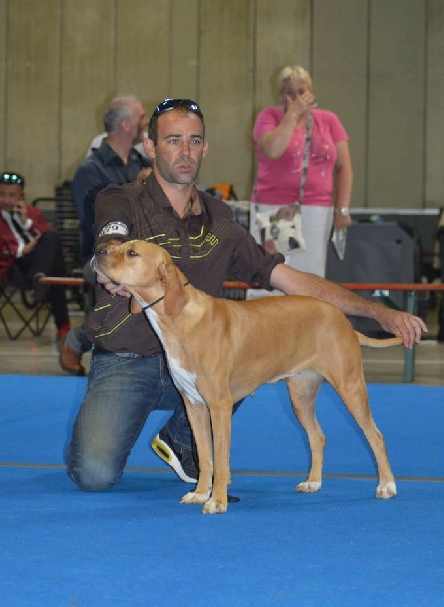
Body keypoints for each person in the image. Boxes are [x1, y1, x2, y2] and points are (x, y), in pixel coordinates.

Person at [65, 98, 425, 495]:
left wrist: (376, 312)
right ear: (150, 147)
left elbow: (288, 279)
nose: (185, 151)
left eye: (194, 141)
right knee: (94, 472)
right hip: (127, 359)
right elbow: (111, 244)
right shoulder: (119, 198)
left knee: (239, 354)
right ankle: (175, 440)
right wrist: (114, 271)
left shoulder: (220, 218)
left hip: (203, 358)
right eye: (172, 140)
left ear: (205, 148)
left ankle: (184, 442)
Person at [59, 95, 152, 375]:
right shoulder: (89, 171)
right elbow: (96, 226)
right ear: (126, 125)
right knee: (127, 285)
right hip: (98, 256)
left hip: (140, 251)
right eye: (142, 117)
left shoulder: (143, 164)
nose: (146, 123)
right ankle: (78, 339)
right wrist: (135, 192)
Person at [249, 65, 353, 298]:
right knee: (271, 272)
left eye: (301, 91)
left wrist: (342, 208)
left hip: (316, 209)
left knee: (311, 276)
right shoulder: (269, 116)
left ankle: (306, 328)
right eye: (289, 92)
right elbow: (273, 150)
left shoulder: (329, 120)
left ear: (311, 92)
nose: (296, 98)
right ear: (280, 95)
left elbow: (344, 166)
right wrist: (292, 115)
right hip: (274, 208)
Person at [0, 171, 72, 346]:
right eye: (1, 195)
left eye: (12, 195)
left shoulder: (32, 213)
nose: (6, 200)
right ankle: (63, 326)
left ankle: (40, 279)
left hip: (37, 263)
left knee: (51, 237)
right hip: (12, 265)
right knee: (55, 272)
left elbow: (47, 241)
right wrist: (23, 249)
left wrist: (27, 223)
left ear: (21, 196)